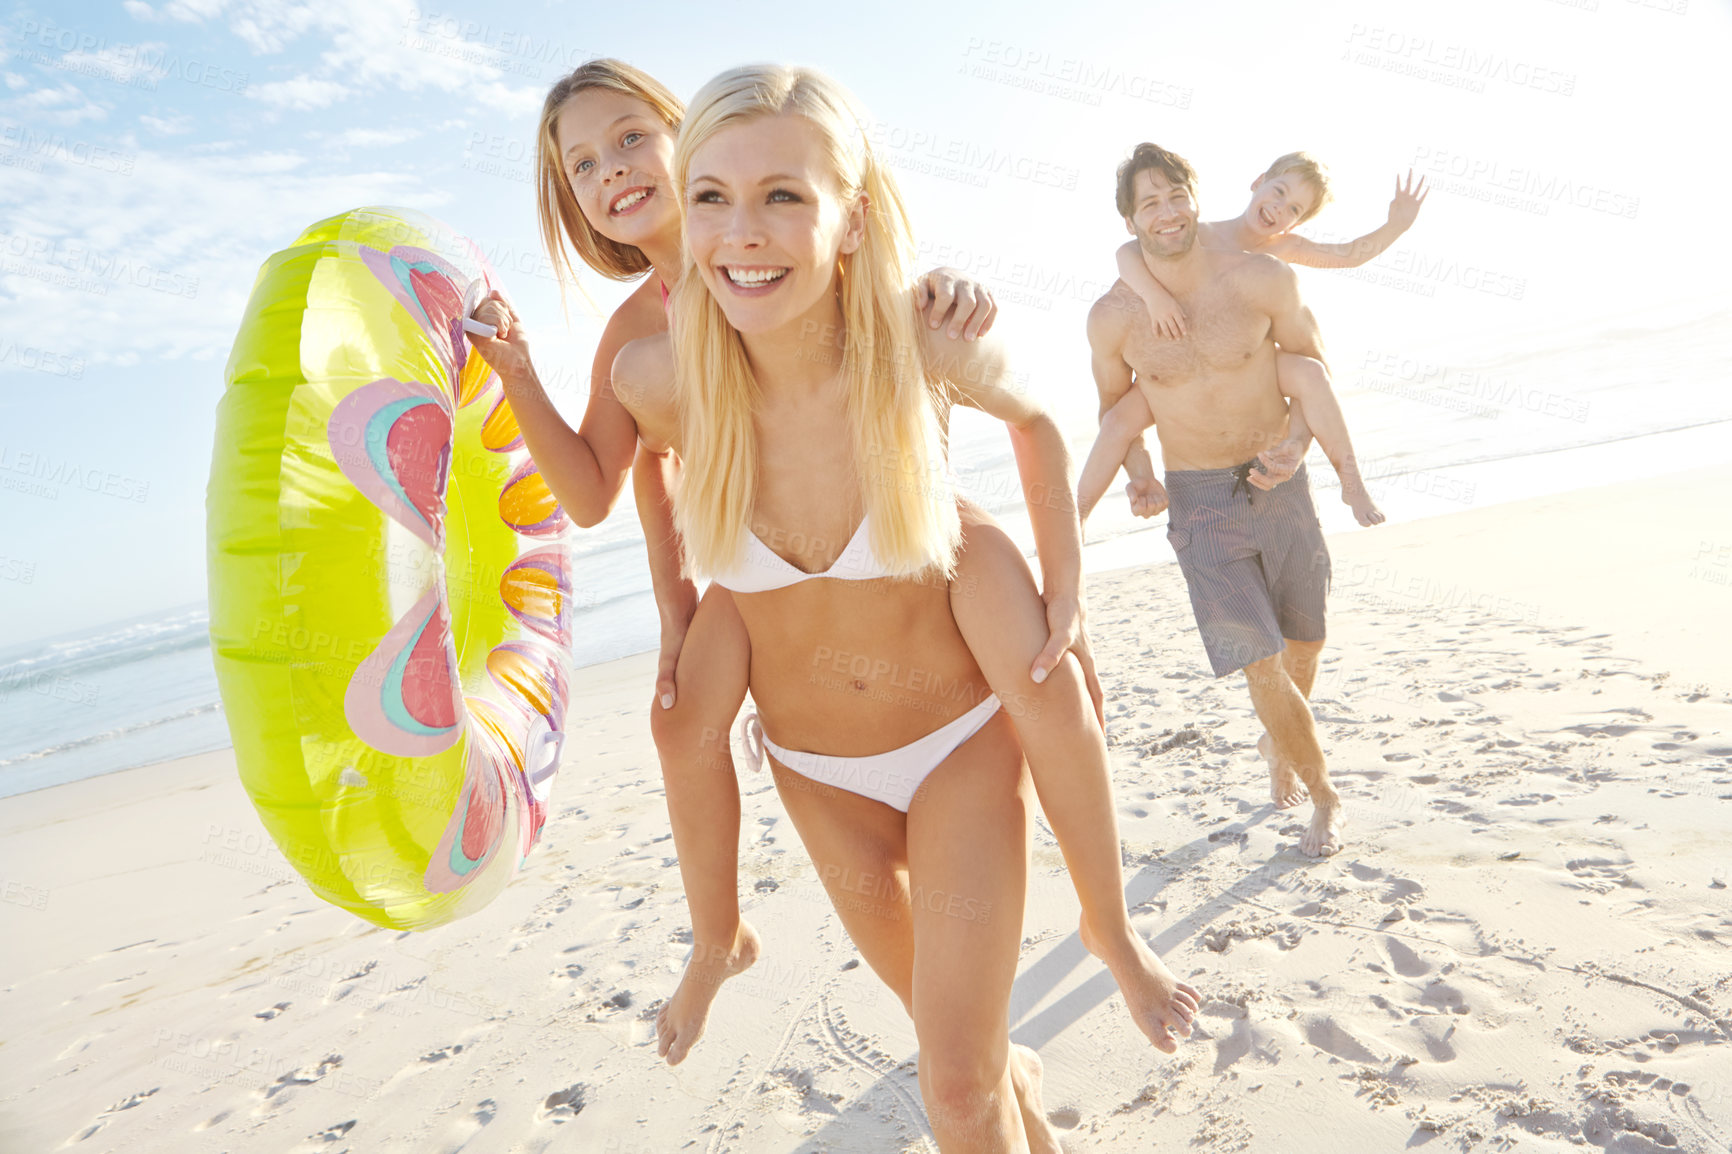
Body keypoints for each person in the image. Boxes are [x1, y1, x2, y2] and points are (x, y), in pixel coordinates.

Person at [598, 65, 1200, 1151]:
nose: (745, 230)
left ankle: (1109, 931)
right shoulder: (664, 380)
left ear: (851, 214)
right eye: (712, 196)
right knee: (966, 1047)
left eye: (785, 194)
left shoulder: (917, 338)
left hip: (958, 750)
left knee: (951, 1079)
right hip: (820, 780)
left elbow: (1039, 421)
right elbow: (641, 472)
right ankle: (747, 953)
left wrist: (1065, 586)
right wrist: (672, 607)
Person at [1079, 143, 1345, 858]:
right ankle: (1325, 797)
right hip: (1198, 503)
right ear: (1130, 222)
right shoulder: (1112, 318)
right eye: (1149, 204)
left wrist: (1299, 445)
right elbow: (1114, 414)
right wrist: (1138, 473)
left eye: (1174, 196)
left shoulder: (1262, 279)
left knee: (1305, 645)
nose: (1165, 214)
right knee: (1259, 661)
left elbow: (1313, 370)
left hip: (1279, 483)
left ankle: (1280, 741)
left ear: (1195, 198)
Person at [1106, 154, 1427, 528]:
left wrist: (1397, 226)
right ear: (1258, 181)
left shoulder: (1285, 248)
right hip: (1199, 363)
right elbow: (1127, 252)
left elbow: (1349, 255)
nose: (1278, 207)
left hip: (1256, 361)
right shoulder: (1202, 233)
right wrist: (1154, 297)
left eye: (1294, 208)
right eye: (1278, 191)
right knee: (1121, 415)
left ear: (1297, 223)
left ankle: (1351, 482)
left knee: (1311, 373)